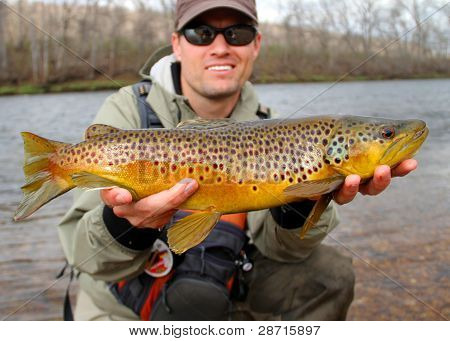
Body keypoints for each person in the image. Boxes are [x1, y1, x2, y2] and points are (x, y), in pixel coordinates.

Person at [58, 0, 418, 321]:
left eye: (237, 33)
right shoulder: (127, 112)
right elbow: (86, 259)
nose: (220, 47)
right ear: (176, 44)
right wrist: (127, 225)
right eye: (201, 33)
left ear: (255, 45)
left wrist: (297, 205)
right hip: (131, 297)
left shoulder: (278, 128)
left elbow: (286, 251)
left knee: (330, 272)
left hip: (231, 275)